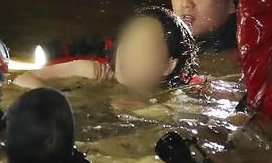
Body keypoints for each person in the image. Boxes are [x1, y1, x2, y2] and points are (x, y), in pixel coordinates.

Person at [11, 7, 198, 96]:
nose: (130, 53)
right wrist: (55, 104)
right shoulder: (93, 73)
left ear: (168, 65)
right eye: (129, 40)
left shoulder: (173, 105)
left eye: (144, 46)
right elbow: (22, 79)